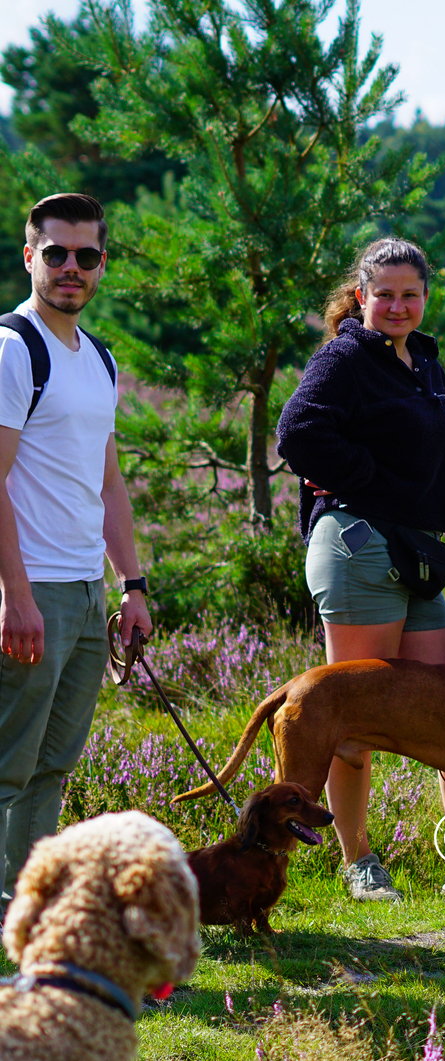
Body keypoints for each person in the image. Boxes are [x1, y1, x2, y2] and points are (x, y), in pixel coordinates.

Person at [275, 237, 445, 900]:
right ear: (361, 296)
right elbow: (297, 433)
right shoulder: (343, 359)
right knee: (352, 717)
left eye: (410, 294)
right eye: (385, 294)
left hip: (417, 550)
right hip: (359, 544)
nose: (398, 306)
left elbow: (443, 444)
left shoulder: (424, 361)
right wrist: (371, 481)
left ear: (425, 298)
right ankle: (360, 864)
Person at [0, 193, 151, 897]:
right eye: (56, 252)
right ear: (29, 255)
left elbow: (108, 481)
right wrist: (16, 594)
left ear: (101, 264)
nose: (71, 267)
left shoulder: (99, 358)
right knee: (8, 763)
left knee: (53, 762)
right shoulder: (13, 348)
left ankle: (27, 903)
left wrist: (132, 585)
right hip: (32, 590)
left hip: (88, 592)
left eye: (85, 255)